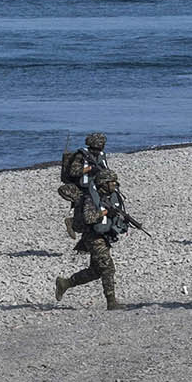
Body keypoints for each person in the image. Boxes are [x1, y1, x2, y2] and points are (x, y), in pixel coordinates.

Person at [54, 167, 138, 310]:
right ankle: (111, 302)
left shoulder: (108, 197)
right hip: (93, 237)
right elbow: (89, 217)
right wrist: (105, 212)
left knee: (95, 271)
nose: (115, 185)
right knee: (108, 268)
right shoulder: (90, 198)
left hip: (103, 237)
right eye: (112, 182)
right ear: (104, 184)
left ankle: (65, 283)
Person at [56, 133, 109, 238]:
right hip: (82, 188)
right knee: (87, 215)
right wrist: (89, 169)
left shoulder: (101, 155)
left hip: (96, 187)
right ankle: (73, 224)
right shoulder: (81, 155)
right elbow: (73, 171)